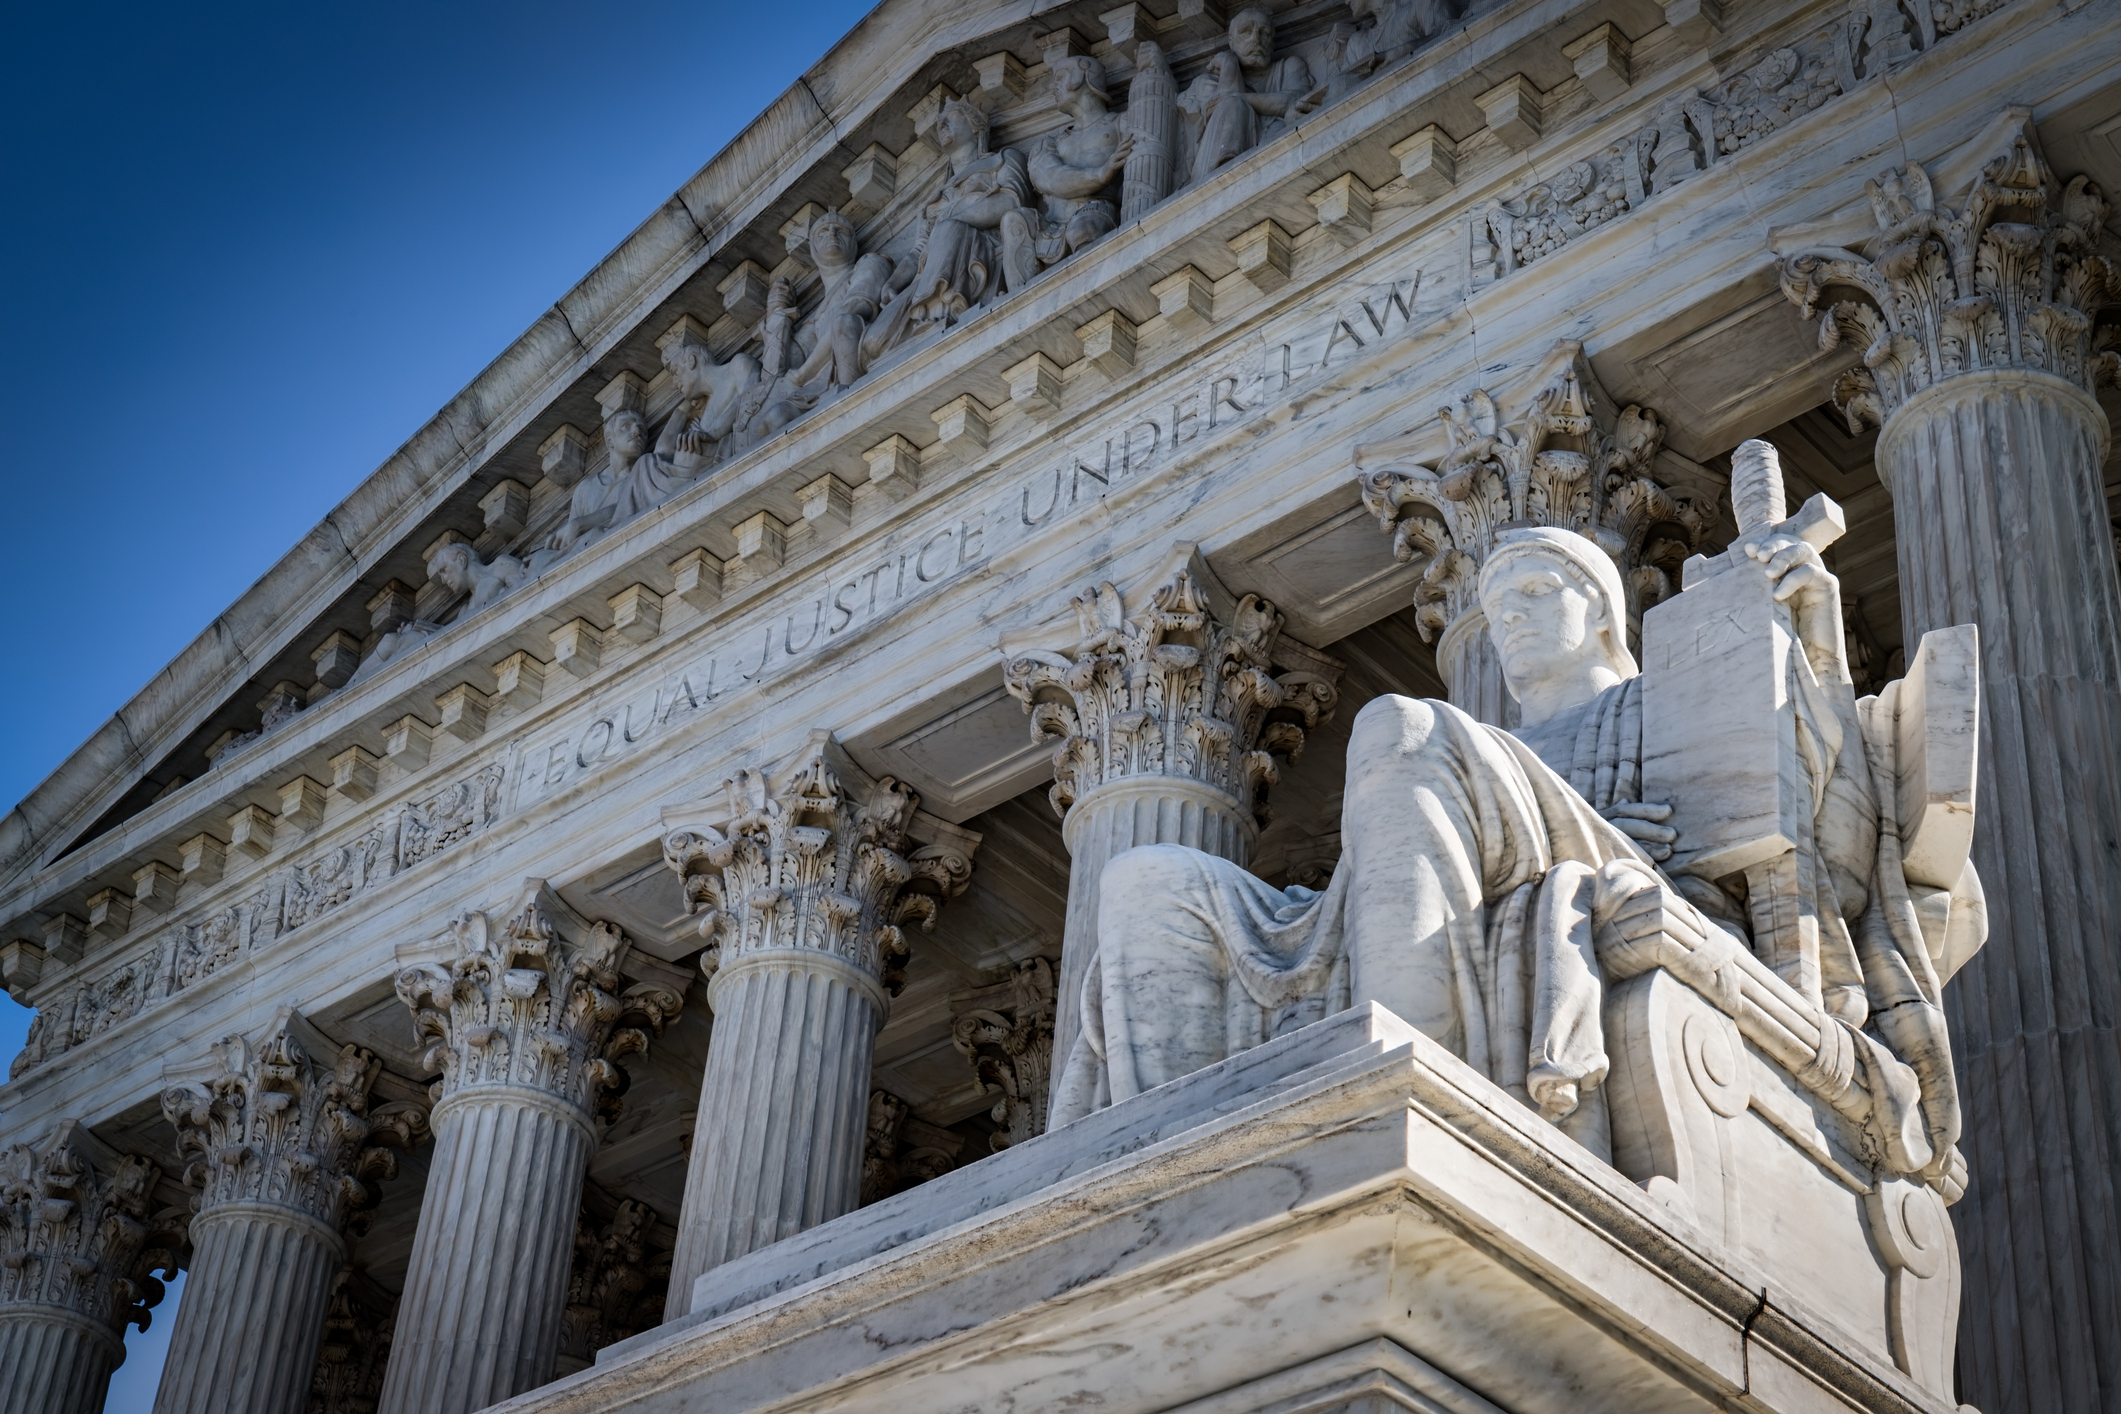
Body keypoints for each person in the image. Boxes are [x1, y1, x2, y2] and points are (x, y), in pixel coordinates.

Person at [1055, 524, 1978, 1186]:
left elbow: (1831, 847)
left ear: (1607, 617)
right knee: (1146, 879)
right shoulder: (1478, 751)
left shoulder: (1662, 704)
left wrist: (1804, 645)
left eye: (1539, 593)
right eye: (1497, 607)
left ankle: (1401, 1079)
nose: (1514, 620)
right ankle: (1152, 1181)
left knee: (1401, 725)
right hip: (1457, 900)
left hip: (1628, 884)